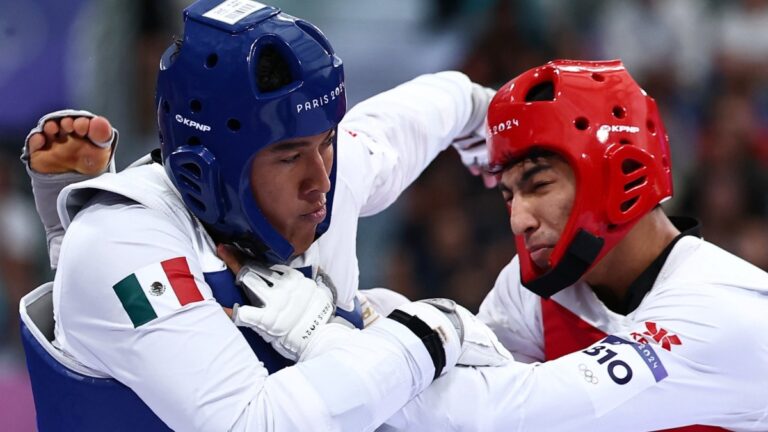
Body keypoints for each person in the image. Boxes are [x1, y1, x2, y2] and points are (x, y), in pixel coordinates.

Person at [19, 1, 511, 430]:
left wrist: (495, 119)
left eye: (327, 142)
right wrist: (433, 331)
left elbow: (421, 113)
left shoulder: (327, 176)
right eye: (290, 155)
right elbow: (256, 424)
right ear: (210, 168)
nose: (320, 180)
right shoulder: (125, 245)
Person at [374, 59, 768, 431]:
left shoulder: (727, 310)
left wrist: (359, 373)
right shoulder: (535, 286)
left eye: (539, 185)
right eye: (509, 195)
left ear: (621, 173)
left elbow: (511, 410)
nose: (518, 219)